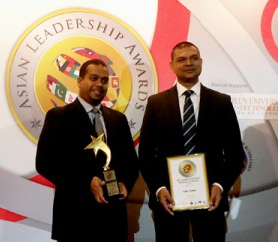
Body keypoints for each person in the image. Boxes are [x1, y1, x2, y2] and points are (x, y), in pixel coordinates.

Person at [139, 41, 244, 242]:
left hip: (210, 199)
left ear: (201, 62)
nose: (189, 63)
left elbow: (234, 154)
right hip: (168, 200)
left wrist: (220, 186)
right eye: (182, 59)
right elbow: (145, 155)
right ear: (171, 65)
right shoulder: (156, 103)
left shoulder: (222, 102)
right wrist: (159, 188)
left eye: (193, 58)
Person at [36, 59, 139, 242]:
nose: (99, 84)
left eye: (104, 80)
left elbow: (130, 163)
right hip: (74, 219)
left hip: (112, 219)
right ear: (79, 81)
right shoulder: (59, 117)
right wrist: (85, 182)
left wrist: (125, 184)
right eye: (94, 78)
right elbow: (45, 163)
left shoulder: (118, 120)